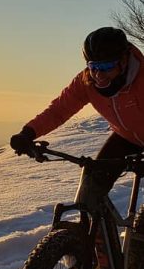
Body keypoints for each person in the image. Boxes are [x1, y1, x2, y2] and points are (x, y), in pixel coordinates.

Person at [10, 26, 144, 210]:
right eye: (94, 66)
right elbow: (59, 110)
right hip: (126, 138)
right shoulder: (86, 82)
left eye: (106, 66)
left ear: (124, 60)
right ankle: (92, 234)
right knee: (91, 183)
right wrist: (28, 133)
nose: (99, 74)